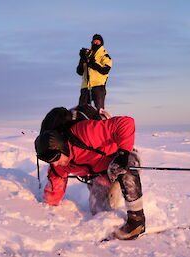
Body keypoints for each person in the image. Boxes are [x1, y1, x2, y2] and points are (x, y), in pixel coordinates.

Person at [35, 106, 146, 240]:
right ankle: (112, 222)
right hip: (102, 174)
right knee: (98, 211)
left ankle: (136, 222)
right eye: (50, 161)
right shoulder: (58, 165)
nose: (55, 164)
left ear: (62, 146)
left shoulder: (85, 132)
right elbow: (54, 191)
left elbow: (126, 123)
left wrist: (123, 154)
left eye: (56, 159)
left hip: (122, 158)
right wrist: (45, 209)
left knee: (126, 170)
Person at [76, 34, 112, 110]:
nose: (94, 44)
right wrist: (82, 59)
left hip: (98, 86)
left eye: (97, 42)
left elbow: (105, 70)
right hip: (85, 87)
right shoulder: (87, 55)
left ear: (101, 43)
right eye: (93, 42)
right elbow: (79, 72)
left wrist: (92, 63)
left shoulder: (105, 56)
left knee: (99, 111)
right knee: (82, 111)